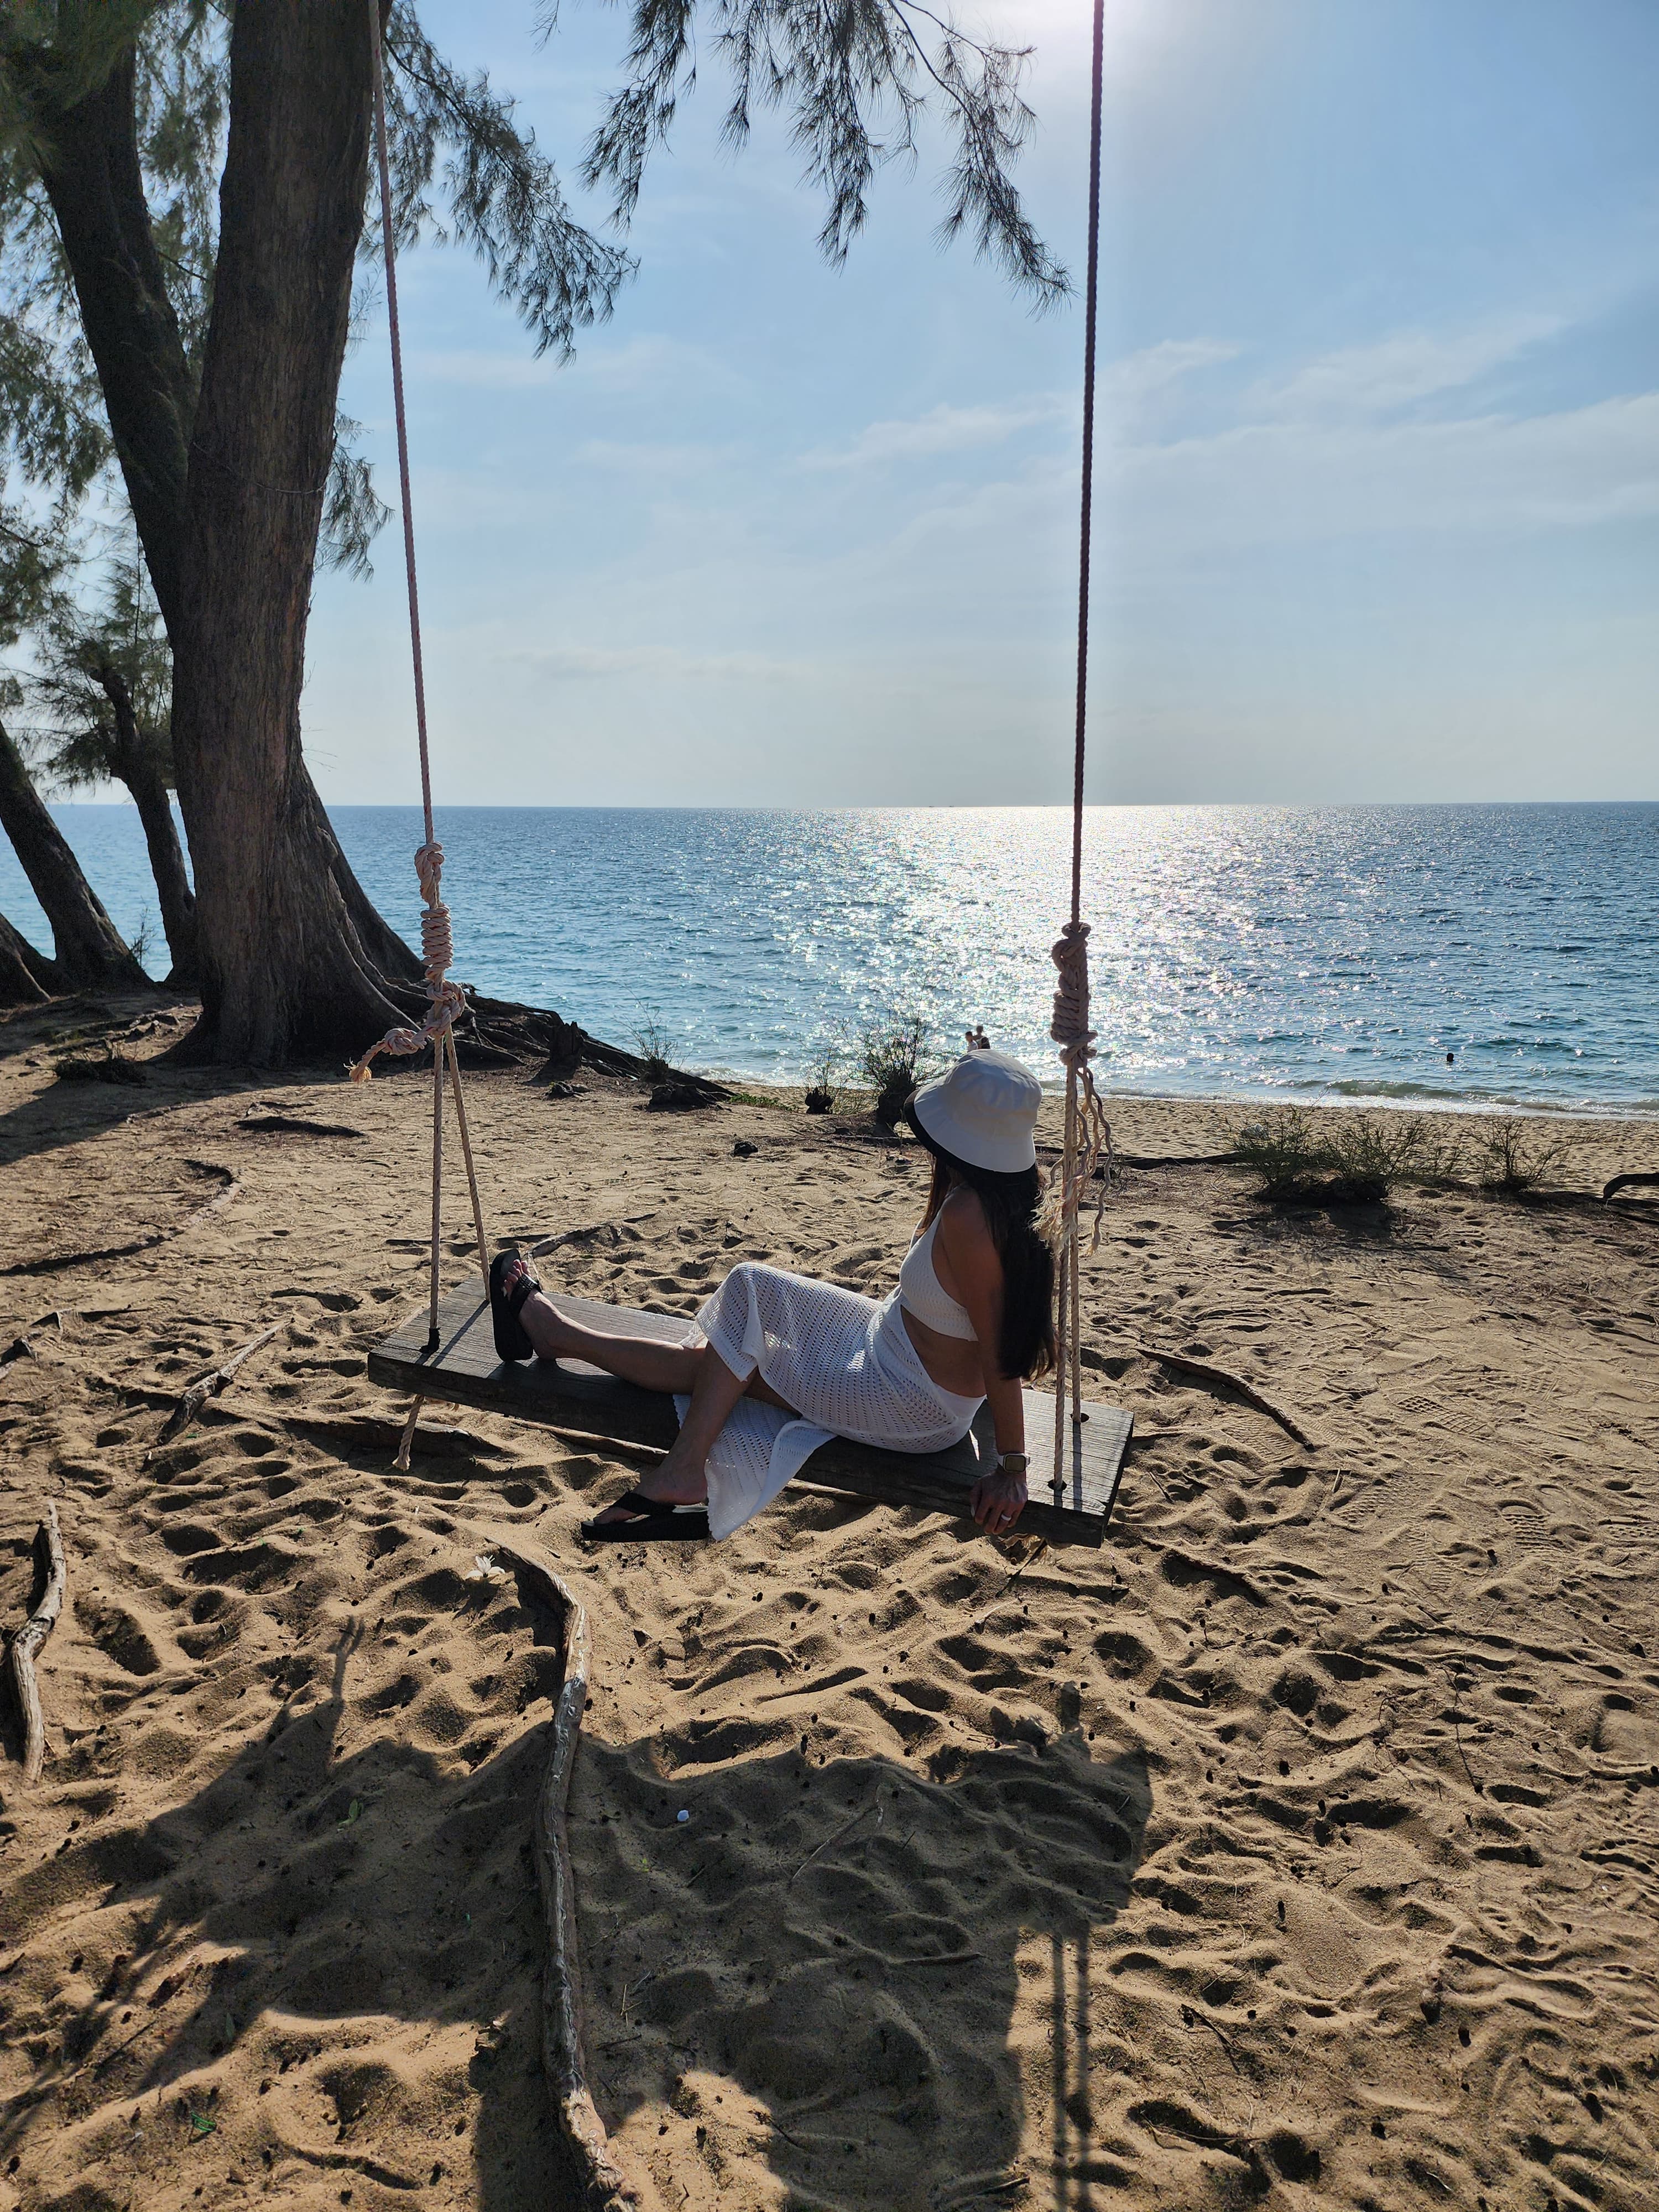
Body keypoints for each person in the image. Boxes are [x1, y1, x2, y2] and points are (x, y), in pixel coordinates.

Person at [490, 1048, 1056, 1543]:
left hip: (908, 1399)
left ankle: (678, 1460)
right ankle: (559, 1335)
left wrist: (1013, 1464)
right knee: (734, 1349)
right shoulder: (1010, 1196)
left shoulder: (970, 1217)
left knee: (737, 1333)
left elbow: (1002, 1346)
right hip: (892, 1342)